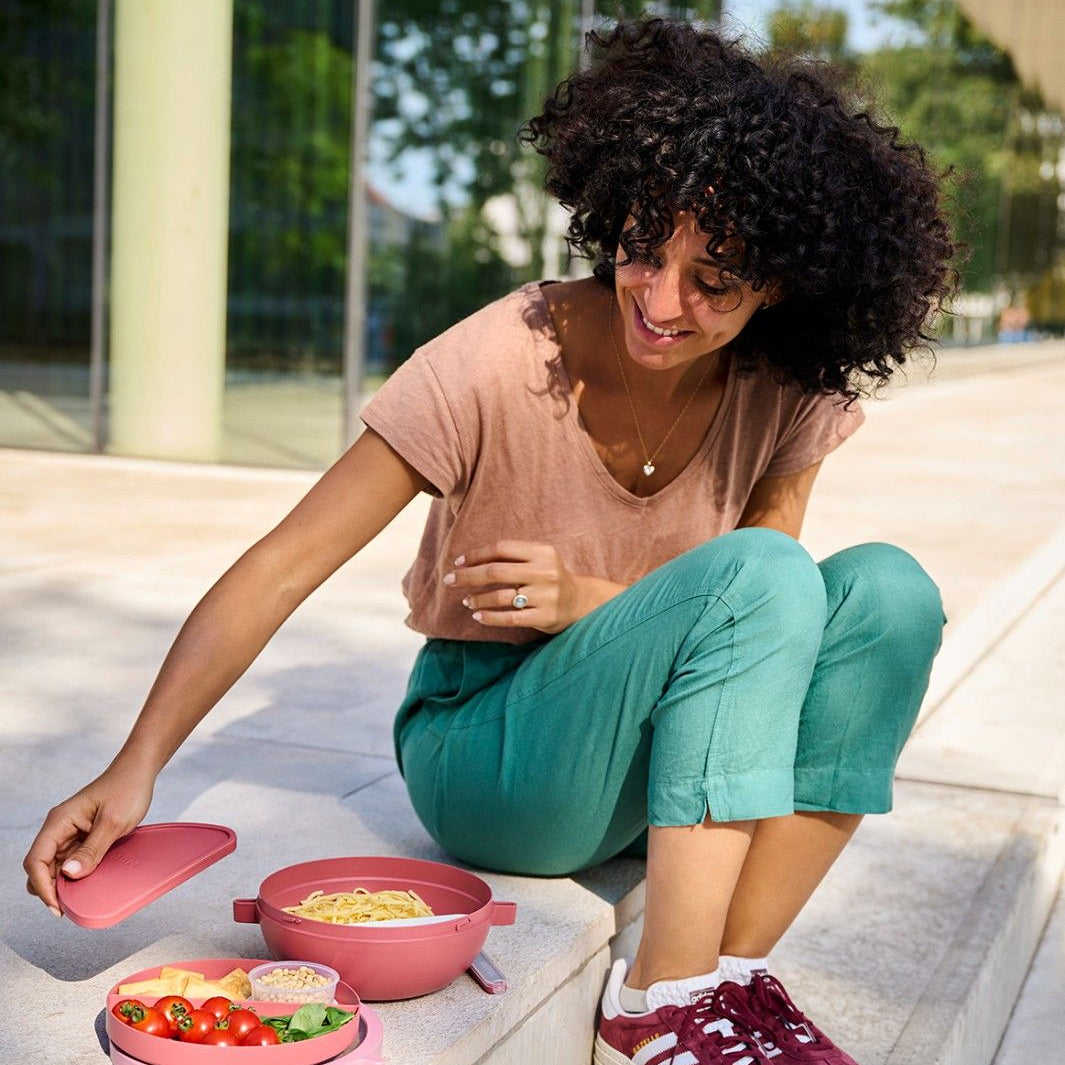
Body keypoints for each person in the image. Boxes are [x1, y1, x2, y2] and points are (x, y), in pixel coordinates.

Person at [25, 19, 954, 1065]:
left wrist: (591, 600)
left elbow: (768, 620)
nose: (660, 298)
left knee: (889, 593)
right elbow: (285, 562)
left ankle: (721, 985)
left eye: (716, 279)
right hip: (493, 755)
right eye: (644, 249)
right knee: (767, 574)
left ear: (778, 283)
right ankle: (661, 1003)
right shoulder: (494, 361)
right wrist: (134, 766)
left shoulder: (785, 388)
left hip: (660, 752)